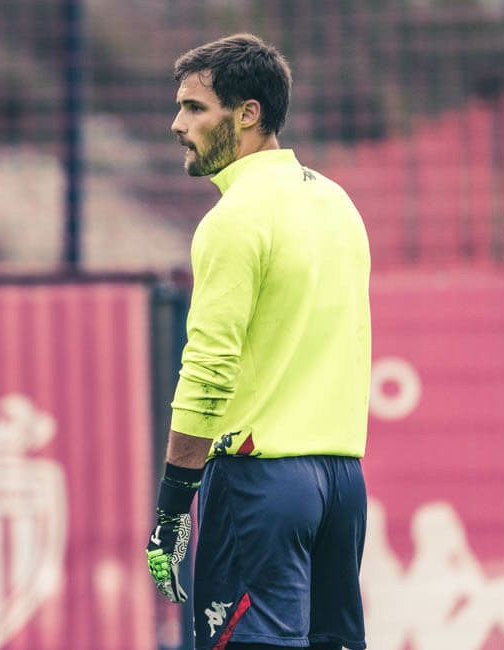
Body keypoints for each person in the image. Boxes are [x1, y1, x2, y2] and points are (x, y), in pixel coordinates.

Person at [144, 34, 372, 650]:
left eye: (194, 108)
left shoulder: (235, 218)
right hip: (343, 487)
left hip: (260, 485)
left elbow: (208, 370)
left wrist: (173, 506)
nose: (177, 125)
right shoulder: (336, 202)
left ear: (248, 114)